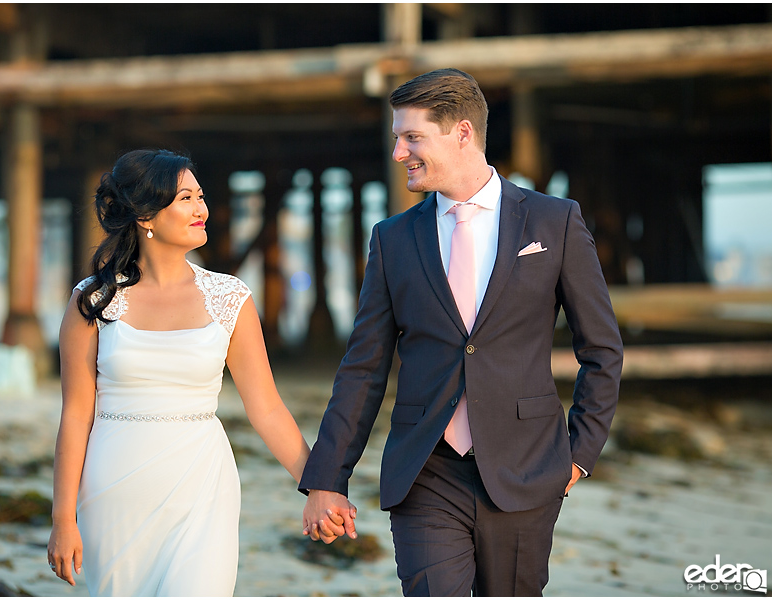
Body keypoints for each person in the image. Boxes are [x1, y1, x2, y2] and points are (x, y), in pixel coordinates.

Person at [299, 69, 624, 596]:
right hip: (425, 470)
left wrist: (579, 457)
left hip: (526, 470)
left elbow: (602, 350)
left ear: (463, 132)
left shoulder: (554, 222)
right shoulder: (393, 239)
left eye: (413, 137)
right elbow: (363, 368)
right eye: (398, 138)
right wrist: (325, 478)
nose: (400, 152)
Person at [46, 149, 341, 596]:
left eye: (200, 196)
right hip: (114, 488)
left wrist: (318, 486)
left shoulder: (230, 298)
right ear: (146, 214)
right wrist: (62, 519)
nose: (201, 208)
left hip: (202, 483)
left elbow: (267, 409)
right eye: (186, 198)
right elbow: (75, 417)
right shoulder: (93, 299)